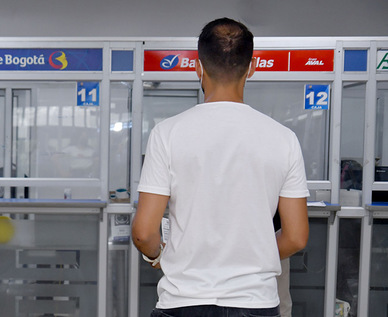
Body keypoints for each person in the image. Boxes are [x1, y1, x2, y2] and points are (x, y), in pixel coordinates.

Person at [131, 18, 309, 317]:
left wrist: (159, 257)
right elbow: (296, 237)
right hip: (255, 303)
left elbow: (143, 232)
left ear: (198, 68)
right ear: (252, 68)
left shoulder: (167, 133)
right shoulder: (284, 138)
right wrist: (253, 261)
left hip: (183, 301)